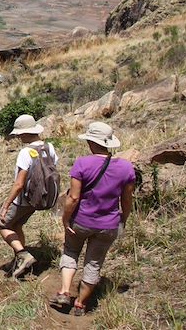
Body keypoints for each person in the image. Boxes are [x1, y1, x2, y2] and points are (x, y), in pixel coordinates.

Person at [51, 122, 134, 316]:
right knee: (94, 263)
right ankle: (80, 303)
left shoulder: (82, 163)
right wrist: (123, 219)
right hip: (109, 224)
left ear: (90, 141)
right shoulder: (126, 167)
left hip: (81, 220)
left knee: (71, 251)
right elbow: (127, 199)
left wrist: (65, 219)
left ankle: (64, 291)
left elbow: (73, 197)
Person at [0, 114, 59, 278]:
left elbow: (19, 184)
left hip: (23, 199)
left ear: (24, 133)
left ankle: (23, 255)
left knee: (2, 224)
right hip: (39, 198)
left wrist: (6, 205)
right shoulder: (49, 147)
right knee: (16, 226)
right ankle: (19, 260)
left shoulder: (26, 152)